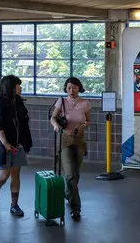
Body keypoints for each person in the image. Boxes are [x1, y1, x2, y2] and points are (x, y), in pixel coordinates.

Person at [0, 75, 32, 217]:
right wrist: (6, 144)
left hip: (17, 144)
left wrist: (25, 142)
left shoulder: (18, 102)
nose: (20, 87)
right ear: (10, 87)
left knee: (15, 174)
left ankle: (14, 205)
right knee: (4, 175)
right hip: (3, 145)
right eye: (18, 85)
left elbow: (23, 123)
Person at [50, 77, 92, 221]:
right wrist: (56, 126)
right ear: (65, 89)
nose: (71, 90)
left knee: (76, 174)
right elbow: (53, 118)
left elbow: (88, 121)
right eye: (69, 88)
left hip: (79, 140)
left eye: (74, 87)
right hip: (65, 140)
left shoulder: (85, 103)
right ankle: (76, 208)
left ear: (79, 88)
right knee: (70, 174)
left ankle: (68, 194)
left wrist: (82, 127)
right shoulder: (61, 102)